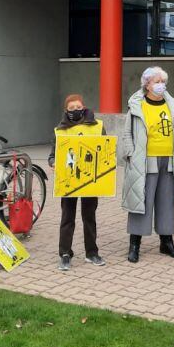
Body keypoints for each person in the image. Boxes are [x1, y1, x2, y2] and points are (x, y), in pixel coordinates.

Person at [120, 66, 174, 263]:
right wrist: (129, 154)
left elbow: (173, 127)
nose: (161, 85)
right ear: (147, 84)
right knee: (141, 201)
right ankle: (135, 243)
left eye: (163, 82)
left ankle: (166, 241)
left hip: (168, 160)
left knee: (167, 202)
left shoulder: (171, 104)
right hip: (145, 161)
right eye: (156, 82)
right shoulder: (137, 105)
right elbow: (127, 133)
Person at [49, 94, 105, 270]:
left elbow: (106, 150)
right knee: (67, 217)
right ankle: (65, 253)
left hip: (90, 179)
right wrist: (53, 163)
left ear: (84, 107)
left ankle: (92, 253)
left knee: (89, 217)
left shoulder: (98, 126)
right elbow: (52, 156)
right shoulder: (60, 130)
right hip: (69, 180)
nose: (75, 110)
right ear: (66, 111)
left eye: (78, 107)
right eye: (71, 108)